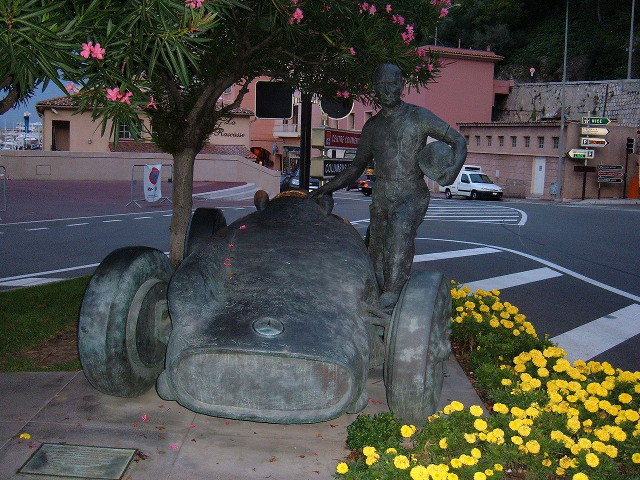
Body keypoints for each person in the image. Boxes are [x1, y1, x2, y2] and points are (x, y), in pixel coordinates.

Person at [312, 63, 467, 308]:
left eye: (392, 84)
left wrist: (452, 170)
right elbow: (356, 167)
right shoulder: (372, 127)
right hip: (382, 192)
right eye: (381, 85)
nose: (387, 90)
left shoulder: (419, 117)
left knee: (400, 228)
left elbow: (458, 140)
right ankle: (378, 293)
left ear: (401, 85)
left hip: (411, 192)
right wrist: (325, 188)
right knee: (376, 245)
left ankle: (393, 294)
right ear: (374, 88)